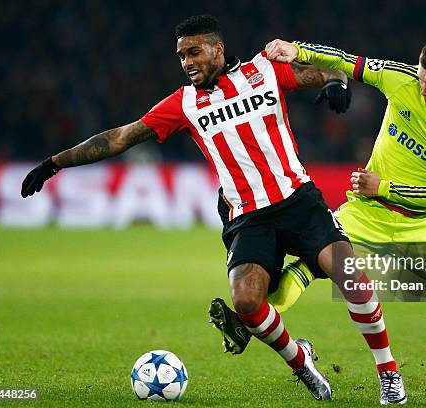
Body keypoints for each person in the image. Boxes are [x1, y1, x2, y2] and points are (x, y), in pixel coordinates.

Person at [20, 15, 406, 404]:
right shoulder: (183, 104)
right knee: (246, 302)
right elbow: (120, 137)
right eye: (181, 55)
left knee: (351, 276)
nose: (187, 62)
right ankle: (301, 361)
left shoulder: (265, 70)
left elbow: (319, 72)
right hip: (248, 217)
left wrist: (337, 83)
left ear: (217, 49)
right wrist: (55, 162)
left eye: (194, 52)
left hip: (299, 200)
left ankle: (388, 374)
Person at [209, 35, 426, 401]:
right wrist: (298, 51)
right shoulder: (401, 79)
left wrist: (383, 187)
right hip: (364, 213)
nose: (423, 89)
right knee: (308, 269)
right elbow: (348, 61)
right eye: (421, 79)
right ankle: (249, 321)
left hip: (423, 222)